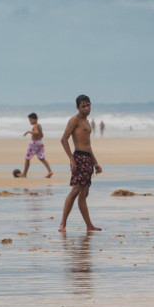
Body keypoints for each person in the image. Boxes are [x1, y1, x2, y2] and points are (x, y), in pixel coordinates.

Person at [59, 95, 103, 232]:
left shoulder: (87, 122)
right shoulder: (74, 120)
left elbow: (88, 146)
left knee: (84, 194)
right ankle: (62, 224)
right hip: (78, 158)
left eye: (88, 105)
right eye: (83, 106)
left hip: (87, 159)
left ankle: (89, 225)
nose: (86, 108)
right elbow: (64, 140)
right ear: (77, 107)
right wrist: (72, 159)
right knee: (75, 190)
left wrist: (95, 163)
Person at [19, 113, 53, 178]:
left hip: (34, 143)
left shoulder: (35, 126)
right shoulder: (39, 125)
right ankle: (50, 171)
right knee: (42, 158)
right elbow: (42, 135)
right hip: (40, 143)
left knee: (27, 158)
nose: (30, 122)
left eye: (31, 120)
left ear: (36, 119)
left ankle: (24, 174)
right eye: (29, 120)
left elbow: (37, 132)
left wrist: (29, 132)